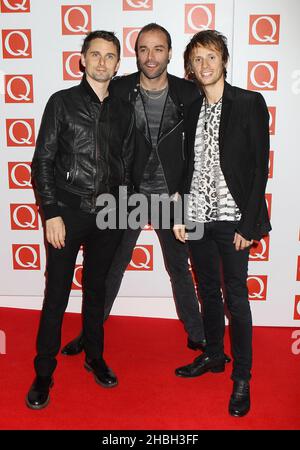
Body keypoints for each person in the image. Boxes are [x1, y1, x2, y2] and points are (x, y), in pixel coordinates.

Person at [61, 23, 209, 356]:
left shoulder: (189, 93)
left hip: (174, 197)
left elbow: (198, 150)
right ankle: (90, 333)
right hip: (128, 193)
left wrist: (185, 195)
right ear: (136, 53)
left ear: (170, 53)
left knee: (180, 267)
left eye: (158, 49)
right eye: (143, 49)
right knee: (110, 266)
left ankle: (198, 334)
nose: (151, 56)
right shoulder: (120, 88)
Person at [26, 30, 135, 409]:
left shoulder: (124, 109)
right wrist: (51, 212)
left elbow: (129, 165)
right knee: (56, 293)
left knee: (97, 290)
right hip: (68, 212)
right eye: (95, 55)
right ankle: (43, 372)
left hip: (110, 214)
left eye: (110, 56)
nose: (102, 62)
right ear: (82, 60)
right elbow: (41, 162)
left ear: (118, 64)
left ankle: (94, 356)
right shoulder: (63, 103)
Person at [173, 30, 271, 417]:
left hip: (233, 220)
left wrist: (248, 224)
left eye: (211, 57)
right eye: (197, 60)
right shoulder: (192, 109)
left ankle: (242, 377)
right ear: (191, 67)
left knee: (236, 298)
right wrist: (180, 214)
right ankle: (214, 355)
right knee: (207, 292)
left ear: (224, 60)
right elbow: (187, 169)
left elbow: (259, 169)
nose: (204, 66)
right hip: (197, 216)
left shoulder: (248, 103)